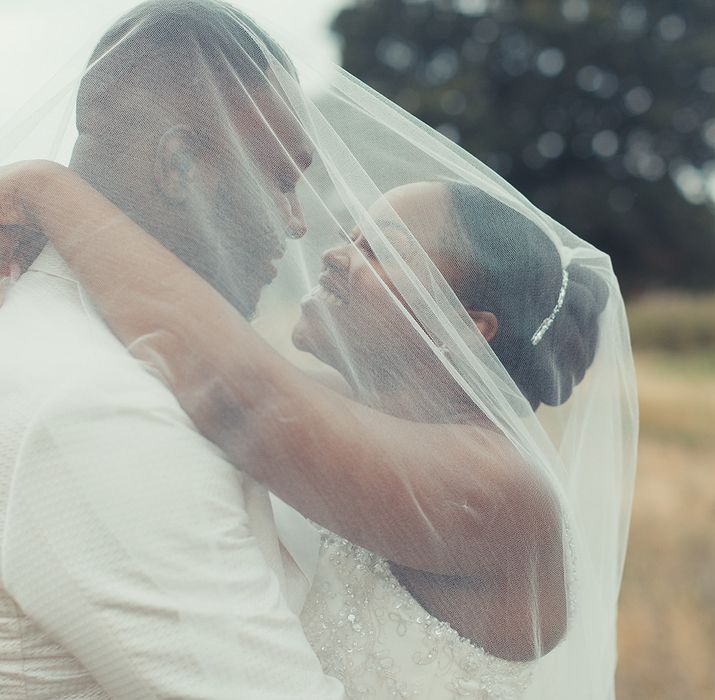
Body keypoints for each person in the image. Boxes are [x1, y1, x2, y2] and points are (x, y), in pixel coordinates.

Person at [0, 1, 638, 697]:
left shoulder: (495, 490)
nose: (326, 248)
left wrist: (47, 190)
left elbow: (243, 392)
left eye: (381, 251)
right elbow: (214, 354)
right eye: (352, 231)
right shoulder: (345, 411)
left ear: (466, 325)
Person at [0, 1, 345, 698]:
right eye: (281, 180)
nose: (298, 223)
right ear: (181, 162)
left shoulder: (116, 347)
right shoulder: (90, 410)